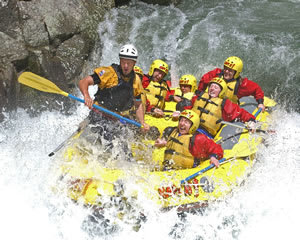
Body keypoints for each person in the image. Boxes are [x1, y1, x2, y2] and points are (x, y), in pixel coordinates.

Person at [78, 44, 150, 157]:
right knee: (111, 144)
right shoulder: (108, 73)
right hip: (98, 115)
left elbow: (138, 104)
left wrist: (142, 122)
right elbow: (83, 81)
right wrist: (87, 96)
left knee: (126, 152)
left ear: (134, 64)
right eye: (123, 62)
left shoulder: (136, 80)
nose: (126, 66)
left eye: (129, 63)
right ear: (120, 61)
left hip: (115, 120)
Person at [154, 110, 223, 170]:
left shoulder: (197, 139)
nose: (182, 123)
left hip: (185, 171)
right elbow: (176, 147)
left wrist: (213, 157)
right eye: (181, 120)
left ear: (193, 126)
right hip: (168, 169)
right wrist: (164, 143)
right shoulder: (173, 132)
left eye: (186, 122)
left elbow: (217, 149)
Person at [189, 77, 257, 138]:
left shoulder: (224, 103)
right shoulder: (199, 97)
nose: (212, 89)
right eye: (211, 86)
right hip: (190, 127)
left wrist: (251, 121)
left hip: (205, 133)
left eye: (216, 88)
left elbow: (240, 113)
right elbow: (188, 107)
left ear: (221, 92)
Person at [197, 56, 265, 111]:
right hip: (209, 105)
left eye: (230, 70)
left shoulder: (241, 84)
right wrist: (199, 93)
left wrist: (260, 103)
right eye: (225, 68)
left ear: (236, 73)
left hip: (226, 111)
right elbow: (204, 80)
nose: (226, 71)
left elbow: (256, 89)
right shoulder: (216, 73)